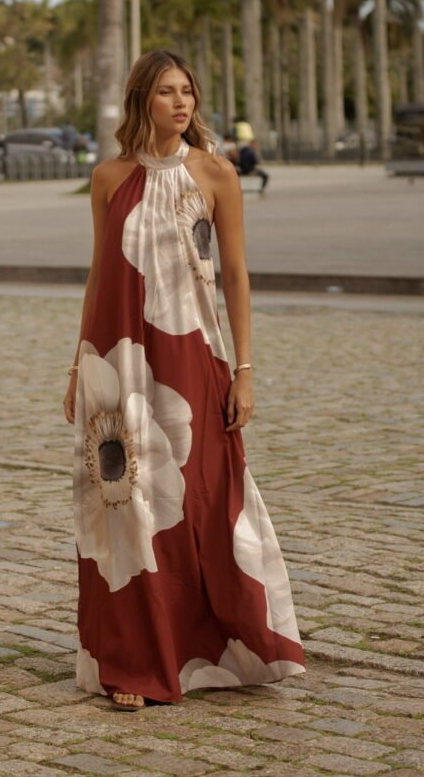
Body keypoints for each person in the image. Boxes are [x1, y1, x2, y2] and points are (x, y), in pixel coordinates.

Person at [63, 50, 306, 712]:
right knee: (127, 510)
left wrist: (244, 370)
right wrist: (78, 367)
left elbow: (237, 276)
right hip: (118, 361)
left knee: (202, 498)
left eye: (187, 92)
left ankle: (221, 644)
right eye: (167, 92)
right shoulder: (109, 177)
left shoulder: (215, 173)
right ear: (142, 99)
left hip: (193, 355)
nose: (181, 102)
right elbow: (99, 274)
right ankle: (134, 662)